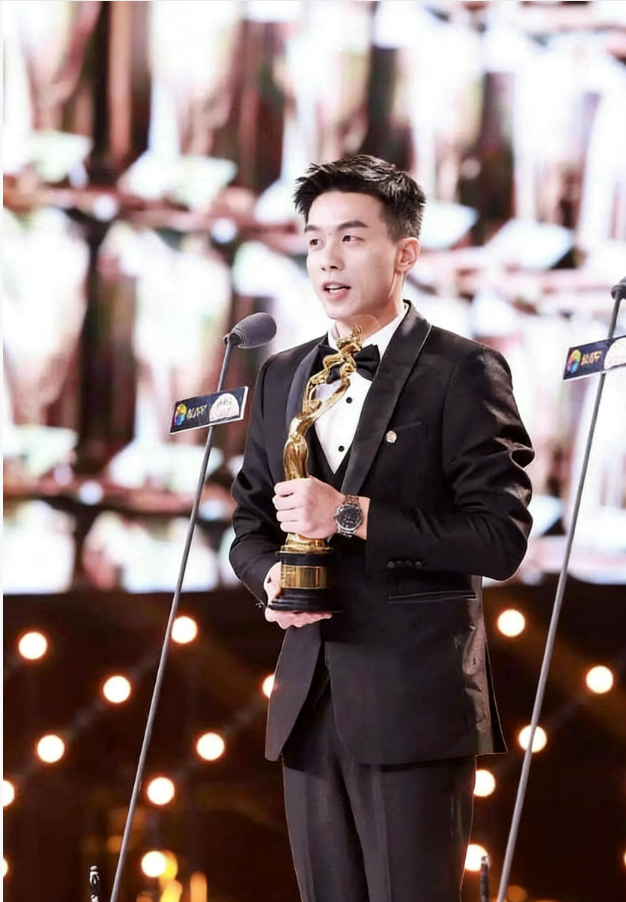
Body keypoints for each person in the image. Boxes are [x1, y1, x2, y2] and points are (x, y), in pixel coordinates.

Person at [229, 154, 534, 902]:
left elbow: (499, 539)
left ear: (405, 253)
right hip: (308, 704)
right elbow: (248, 525)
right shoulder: (281, 375)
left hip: (413, 702)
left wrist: (350, 514)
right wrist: (272, 577)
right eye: (314, 240)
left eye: (351, 237)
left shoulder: (463, 370)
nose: (327, 259)